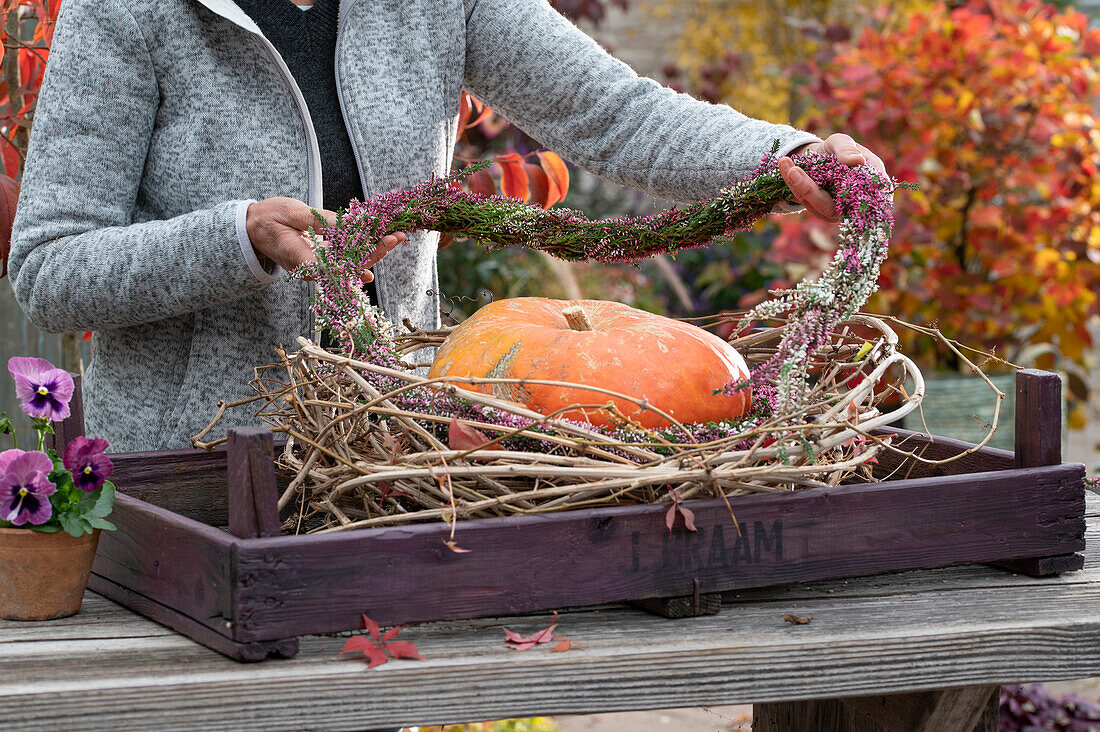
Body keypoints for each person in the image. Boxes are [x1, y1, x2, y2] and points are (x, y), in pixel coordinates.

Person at [8, 0, 885, 453]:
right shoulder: (128, 11)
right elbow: (50, 267)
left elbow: (612, 111)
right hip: (189, 480)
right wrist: (237, 238)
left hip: (389, 459)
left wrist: (785, 152)